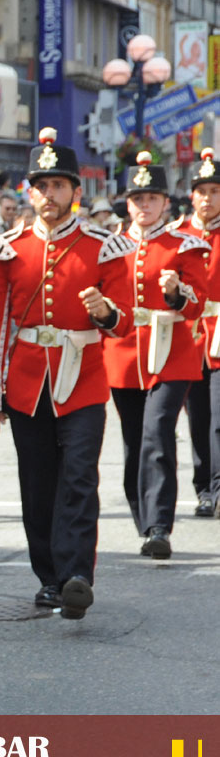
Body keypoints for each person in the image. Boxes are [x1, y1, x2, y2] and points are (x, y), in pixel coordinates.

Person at [0, 127, 136, 619]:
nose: (50, 195)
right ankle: (49, 577)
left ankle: (77, 576)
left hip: (84, 380)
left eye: (59, 186)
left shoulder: (103, 246)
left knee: (80, 480)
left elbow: (125, 317)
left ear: (76, 191)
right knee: (38, 483)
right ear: (30, 191)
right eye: (41, 186)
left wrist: (104, 311)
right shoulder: (9, 248)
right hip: (27, 386)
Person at [103, 151, 210, 561]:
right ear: (127, 203)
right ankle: (142, 515)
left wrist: (174, 291)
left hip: (172, 349)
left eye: (152, 198)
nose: (144, 205)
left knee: (158, 432)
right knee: (134, 440)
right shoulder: (111, 245)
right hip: (125, 350)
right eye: (137, 199)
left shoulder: (187, 244)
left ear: (166, 202)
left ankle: (160, 526)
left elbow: (198, 303)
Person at [172, 147, 220, 518]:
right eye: (202, 192)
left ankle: (218, 487)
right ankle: (203, 487)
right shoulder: (179, 236)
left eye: (215, 191)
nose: (208, 199)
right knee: (198, 416)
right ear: (192, 196)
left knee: (219, 417)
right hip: (188, 335)